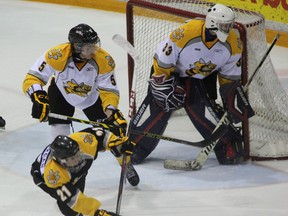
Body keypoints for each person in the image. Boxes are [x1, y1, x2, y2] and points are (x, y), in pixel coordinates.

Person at [129, 4, 254, 165]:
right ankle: (133, 146)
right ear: (212, 23)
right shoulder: (186, 33)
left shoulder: (233, 43)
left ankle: (228, 144)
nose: (228, 29)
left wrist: (232, 100)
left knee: (201, 110)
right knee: (159, 108)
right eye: (224, 25)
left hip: (200, 78)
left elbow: (229, 77)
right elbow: (163, 59)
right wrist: (162, 84)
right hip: (171, 74)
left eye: (229, 25)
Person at [22, 23, 139, 186]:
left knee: (113, 132)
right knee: (59, 135)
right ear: (76, 47)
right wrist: (38, 96)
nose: (94, 50)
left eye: (94, 45)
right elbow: (32, 77)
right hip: (61, 94)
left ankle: (125, 163)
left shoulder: (104, 60)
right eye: (89, 46)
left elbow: (108, 90)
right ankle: (59, 169)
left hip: (91, 97)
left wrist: (111, 111)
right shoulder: (57, 55)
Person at [31, 126, 135, 216]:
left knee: (118, 148)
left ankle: (126, 164)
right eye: (73, 159)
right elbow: (74, 200)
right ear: (61, 161)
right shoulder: (53, 176)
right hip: (42, 178)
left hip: (70, 171)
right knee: (69, 209)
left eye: (78, 155)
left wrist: (117, 143)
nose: (78, 159)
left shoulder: (83, 142)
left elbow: (101, 135)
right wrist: (97, 213)